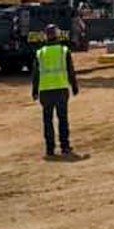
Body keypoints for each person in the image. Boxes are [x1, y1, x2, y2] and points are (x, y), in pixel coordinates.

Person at [32, 22, 79, 160]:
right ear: (57, 35)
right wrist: (74, 86)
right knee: (62, 119)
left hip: (45, 91)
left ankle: (50, 149)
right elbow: (71, 71)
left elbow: (36, 74)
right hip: (61, 89)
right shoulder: (63, 51)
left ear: (45, 36)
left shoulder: (40, 53)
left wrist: (34, 91)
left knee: (47, 121)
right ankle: (65, 146)